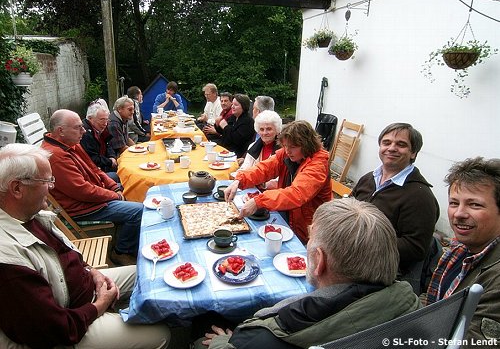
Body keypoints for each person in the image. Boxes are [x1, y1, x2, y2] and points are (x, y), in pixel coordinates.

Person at [0, 143, 170, 349]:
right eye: (46, 181)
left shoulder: (29, 216)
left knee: (150, 272)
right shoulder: (8, 262)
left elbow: (67, 256)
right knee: (161, 334)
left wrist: (93, 273)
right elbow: (57, 328)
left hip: (84, 291)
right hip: (71, 325)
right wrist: (100, 305)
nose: (52, 187)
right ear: (17, 188)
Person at [194, 198, 420, 349]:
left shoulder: (267, 339)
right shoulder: (419, 315)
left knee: (204, 324)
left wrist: (223, 343)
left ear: (319, 261)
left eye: (309, 240)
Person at [42, 109, 143, 266]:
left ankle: (125, 231)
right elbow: (82, 191)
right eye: (78, 127)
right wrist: (114, 195)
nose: (83, 130)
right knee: (138, 210)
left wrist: (113, 187)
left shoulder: (69, 144)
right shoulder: (56, 157)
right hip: (82, 208)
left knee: (126, 186)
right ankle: (122, 252)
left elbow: (95, 169)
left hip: (90, 193)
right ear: (61, 131)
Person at [423, 157, 500, 345]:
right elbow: (434, 300)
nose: (459, 214)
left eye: (475, 204)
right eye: (454, 203)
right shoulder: (460, 248)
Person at [352, 122, 439, 286]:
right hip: (353, 254)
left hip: (382, 274)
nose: (391, 148)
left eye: (401, 144)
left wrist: (365, 241)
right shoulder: (368, 179)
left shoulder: (420, 196)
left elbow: (416, 248)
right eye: (386, 142)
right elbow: (347, 208)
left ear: (413, 153)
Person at [225, 120, 331, 243]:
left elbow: (296, 194)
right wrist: (239, 180)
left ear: (307, 145)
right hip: (288, 217)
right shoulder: (286, 155)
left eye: (292, 147)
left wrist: (259, 201)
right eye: (285, 146)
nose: (287, 151)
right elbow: (264, 169)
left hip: (309, 229)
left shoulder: (318, 165)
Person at [238, 110, 282, 190]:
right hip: (251, 190)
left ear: (277, 130)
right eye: (261, 129)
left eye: (269, 129)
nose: (265, 133)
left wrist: (263, 183)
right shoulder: (252, 146)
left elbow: (280, 181)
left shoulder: (283, 150)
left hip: (273, 193)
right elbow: (244, 169)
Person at [80, 103, 119, 182]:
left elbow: (108, 144)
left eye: (106, 119)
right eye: (102, 120)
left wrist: (112, 157)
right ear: (90, 118)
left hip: (103, 164)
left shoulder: (100, 128)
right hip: (93, 173)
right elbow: (92, 158)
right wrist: (110, 162)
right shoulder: (85, 134)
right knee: (120, 176)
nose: (105, 123)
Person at [214, 94, 255, 158]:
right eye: (232, 104)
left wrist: (225, 127)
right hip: (225, 149)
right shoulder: (233, 117)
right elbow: (223, 132)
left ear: (243, 107)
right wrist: (217, 125)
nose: (232, 107)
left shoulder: (247, 121)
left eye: (235, 105)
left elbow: (236, 139)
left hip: (236, 153)